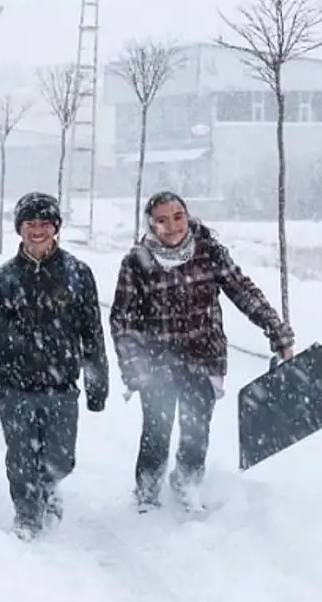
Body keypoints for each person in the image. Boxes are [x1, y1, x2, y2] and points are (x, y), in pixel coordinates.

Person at [109, 191, 294, 514]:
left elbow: (243, 291)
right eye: (162, 220)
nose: (172, 226)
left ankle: (187, 484)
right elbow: (123, 321)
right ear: (151, 224)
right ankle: (147, 495)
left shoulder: (208, 252)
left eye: (178, 216)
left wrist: (277, 331)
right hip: (157, 366)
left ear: (188, 215)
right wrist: (134, 367)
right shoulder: (137, 263)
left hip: (203, 359)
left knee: (196, 430)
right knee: (156, 431)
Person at [0, 192, 108, 541]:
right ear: (20, 229)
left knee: (62, 459)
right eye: (30, 223)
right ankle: (27, 514)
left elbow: (92, 332)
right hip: (15, 387)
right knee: (20, 458)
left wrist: (97, 382)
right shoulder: (4, 278)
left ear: (56, 228)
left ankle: (48, 486)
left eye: (44, 223)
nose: (37, 230)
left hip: (62, 386)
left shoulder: (78, 274)